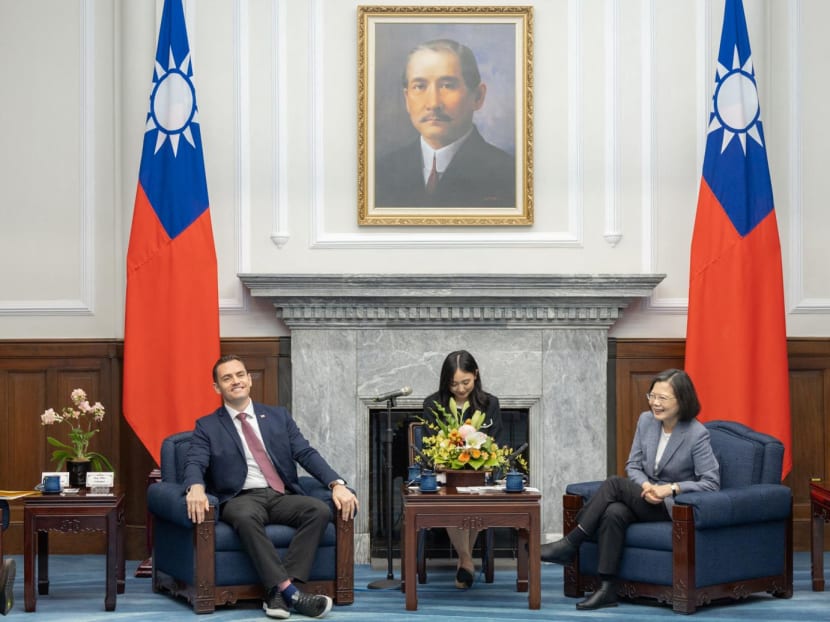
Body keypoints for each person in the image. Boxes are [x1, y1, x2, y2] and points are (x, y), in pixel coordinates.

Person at [184, 355, 358, 620]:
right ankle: (292, 593)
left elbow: (305, 453)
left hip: (280, 494)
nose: (236, 381)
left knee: (318, 510)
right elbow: (195, 460)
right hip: (241, 497)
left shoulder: (277, 416)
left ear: (249, 380)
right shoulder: (207, 426)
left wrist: (337, 483)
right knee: (243, 516)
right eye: (227, 378)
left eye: (240, 375)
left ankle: (277, 595)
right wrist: (195, 487)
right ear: (217, 388)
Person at [540, 369, 719, 611]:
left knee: (614, 483)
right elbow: (633, 465)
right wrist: (646, 486)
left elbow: (711, 482)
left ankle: (571, 543)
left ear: (682, 400)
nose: (655, 403)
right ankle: (607, 589)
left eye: (663, 398)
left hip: (674, 509)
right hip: (644, 497)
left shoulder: (697, 434)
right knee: (614, 511)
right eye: (652, 396)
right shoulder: (646, 421)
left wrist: (670, 489)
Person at [375, 39, 516, 208]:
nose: (433, 104)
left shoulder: (510, 175)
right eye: (419, 86)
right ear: (407, 99)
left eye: (447, 86)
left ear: (478, 97)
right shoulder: (380, 172)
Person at [421, 350, 504, 589]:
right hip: (445, 475)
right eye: (454, 383)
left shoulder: (490, 403)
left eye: (465, 382)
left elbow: (497, 442)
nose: (460, 389)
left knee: (475, 494)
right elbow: (429, 446)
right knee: (452, 495)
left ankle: (465, 560)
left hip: (480, 473)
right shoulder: (433, 404)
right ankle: (466, 560)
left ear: (475, 375)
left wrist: (487, 462)